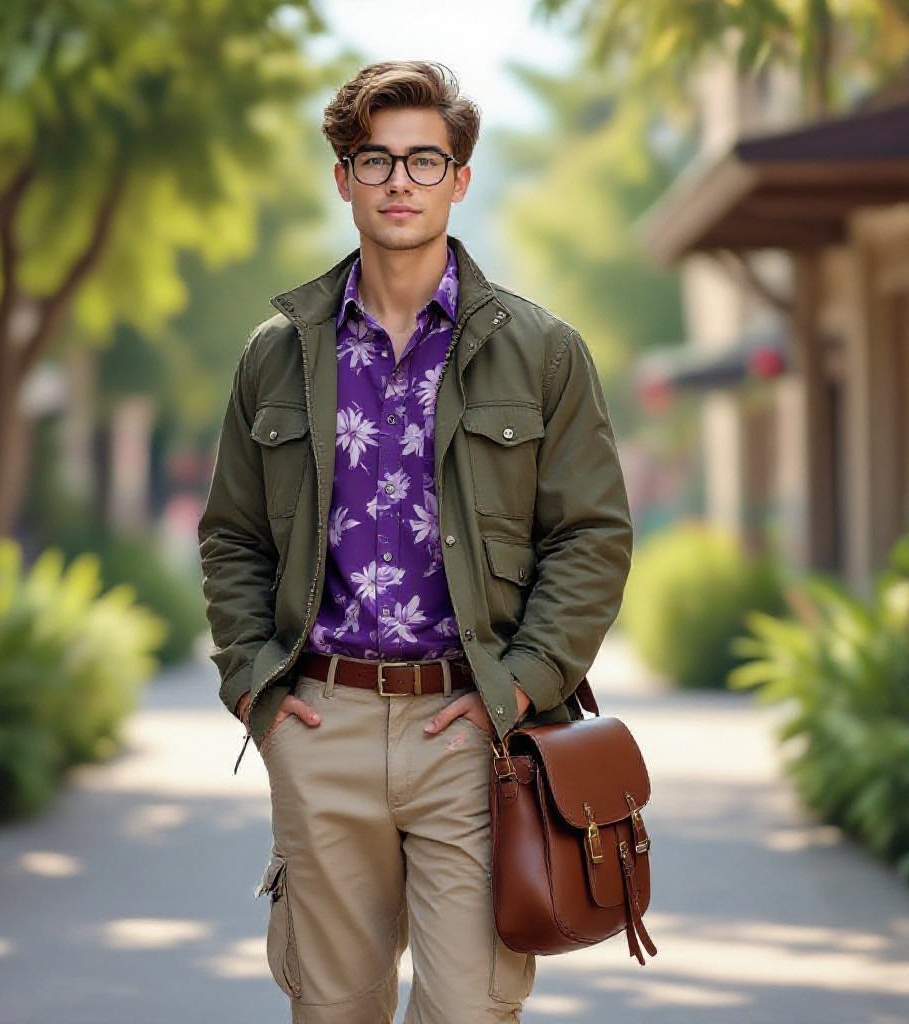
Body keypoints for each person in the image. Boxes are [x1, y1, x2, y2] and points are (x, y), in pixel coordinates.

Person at [197, 59, 633, 1024]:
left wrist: (516, 687)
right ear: (343, 177)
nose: (399, 180)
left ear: (460, 179)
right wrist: (255, 689)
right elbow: (231, 536)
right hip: (322, 723)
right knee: (333, 1010)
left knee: (471, 1010)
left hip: (474, 732)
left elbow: (592, 537)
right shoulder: (276, 355)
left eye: (424, 160)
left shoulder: (543, 350)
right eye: (375, 159)